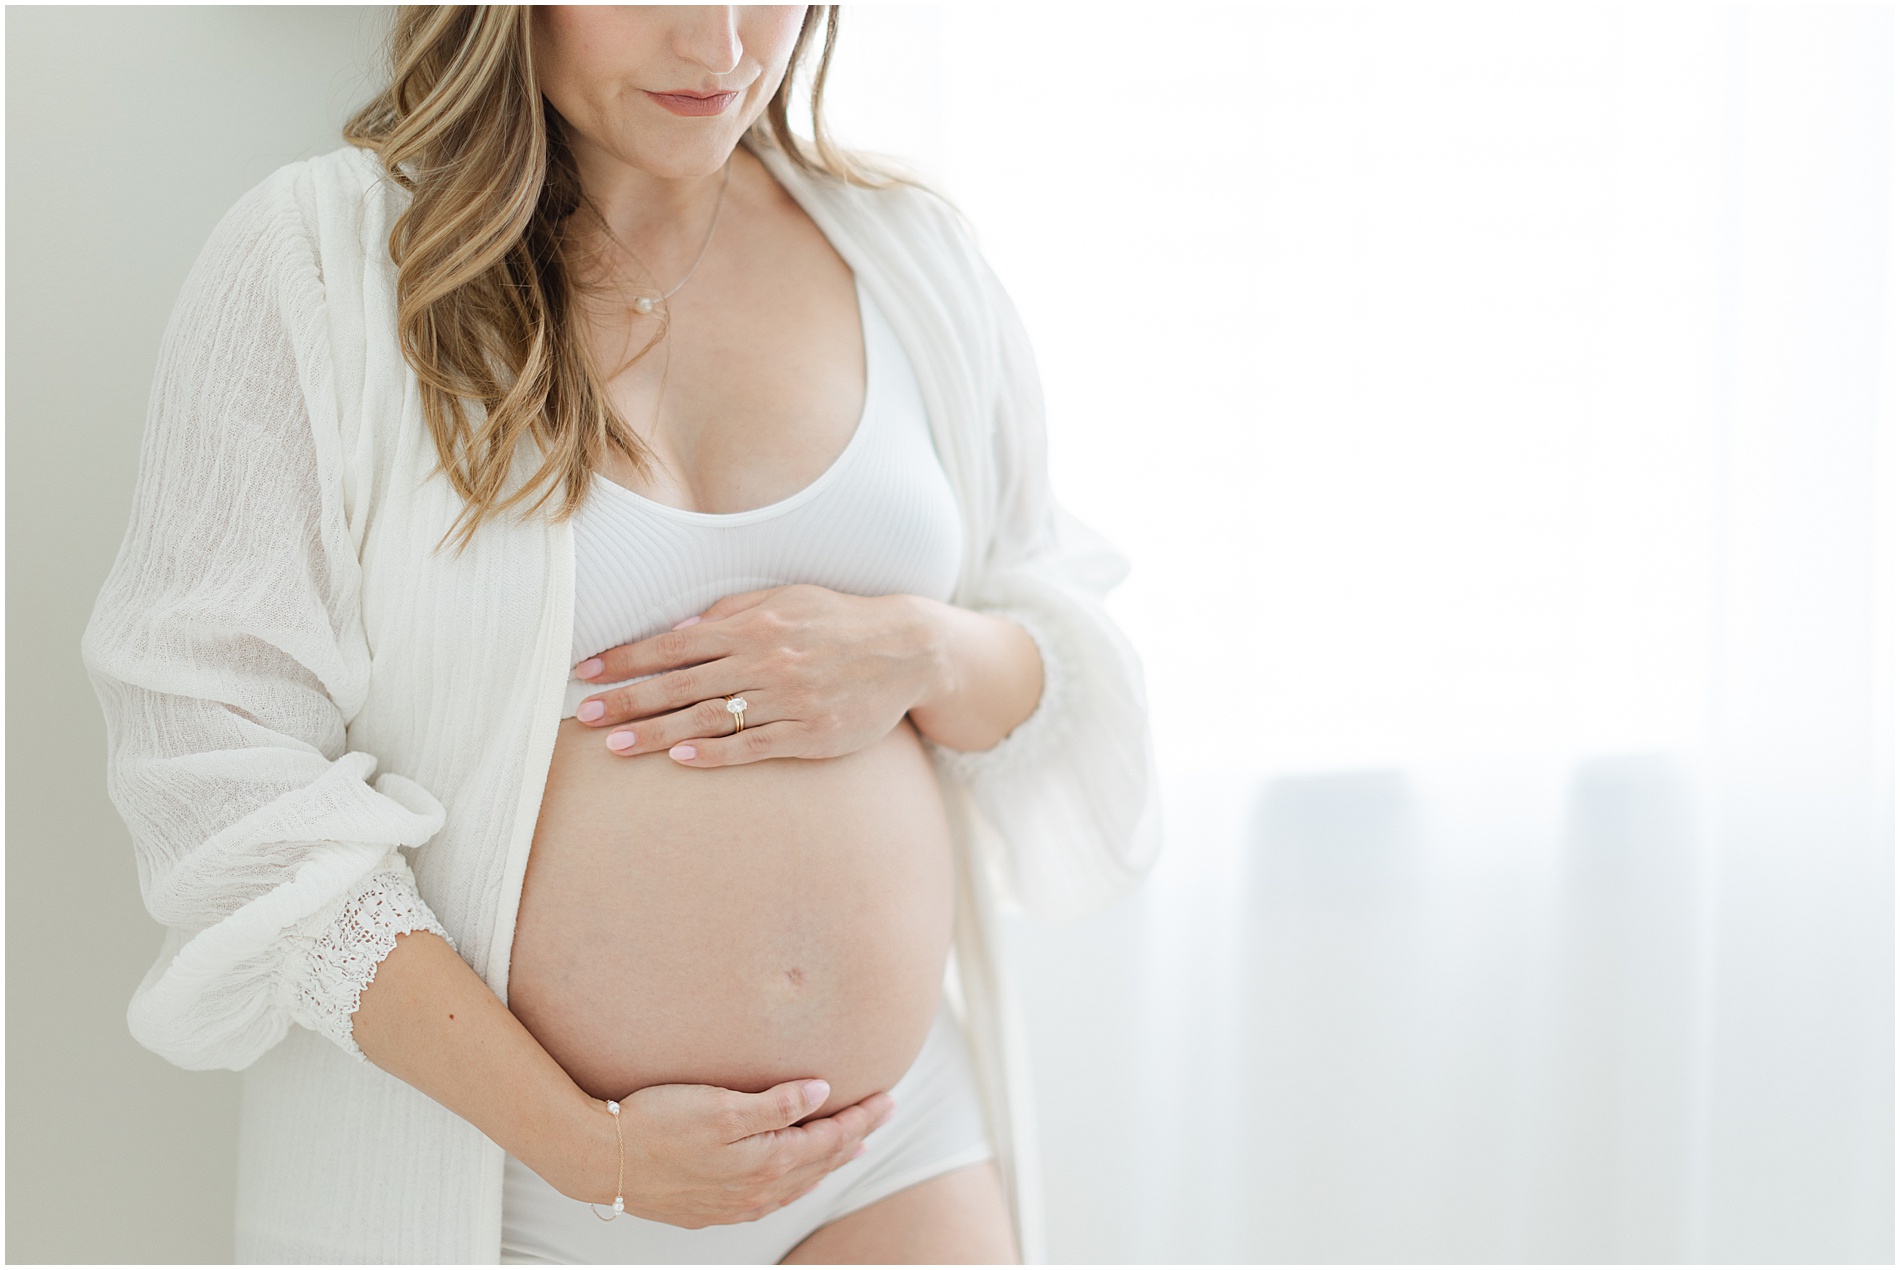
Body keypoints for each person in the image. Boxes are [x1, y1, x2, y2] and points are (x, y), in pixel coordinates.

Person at [82, 5, 1159, 1263]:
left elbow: (1064, 644)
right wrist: (584, 1144)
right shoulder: (322, 260)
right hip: (507, 1187)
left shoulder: (909, 256)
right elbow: (213, 767)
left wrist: (922, 650)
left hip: (890, 1155)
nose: (718, 46)